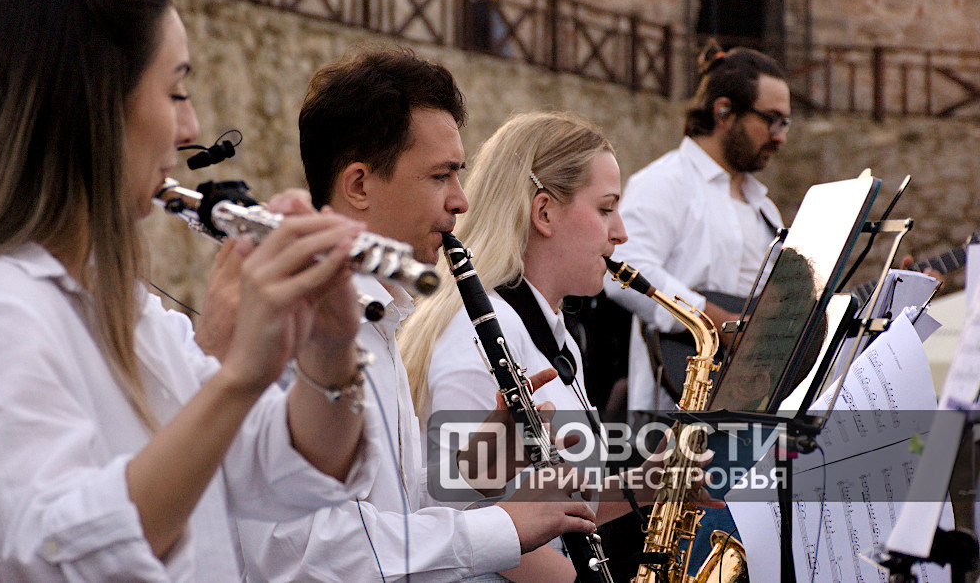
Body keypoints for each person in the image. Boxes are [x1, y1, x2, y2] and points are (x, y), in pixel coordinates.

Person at [0, 0, 380, 581]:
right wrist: (241, 375)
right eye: (176, 91)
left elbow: (285, 471)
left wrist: (330, 349)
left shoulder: (120, 306)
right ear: (95, 106)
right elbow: (65, 558)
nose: (191, 130)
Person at [234, 50, 598, 582]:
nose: (461, 201)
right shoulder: (294, 324)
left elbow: (392, 507)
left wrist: (477, 469)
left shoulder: (380, 320)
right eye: (440, 176)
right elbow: (301, 550)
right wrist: (499, 528)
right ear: (359, 185)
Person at [400, 111, 650, 582]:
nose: (621, 233)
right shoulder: (476, 335)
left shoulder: (553, 333)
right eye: (605, 209)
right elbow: (470, 517)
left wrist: (651, 485)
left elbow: (549, 505)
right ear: (544, 213)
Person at [605, 46, 789, 419]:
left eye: (785, 123)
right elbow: (621, 269)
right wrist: (716, 322)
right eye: (771, 120)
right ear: (723, 111)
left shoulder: (766, 209)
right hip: (669, 412)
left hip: (749, 409)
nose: (779, 137)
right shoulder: (665, 182)